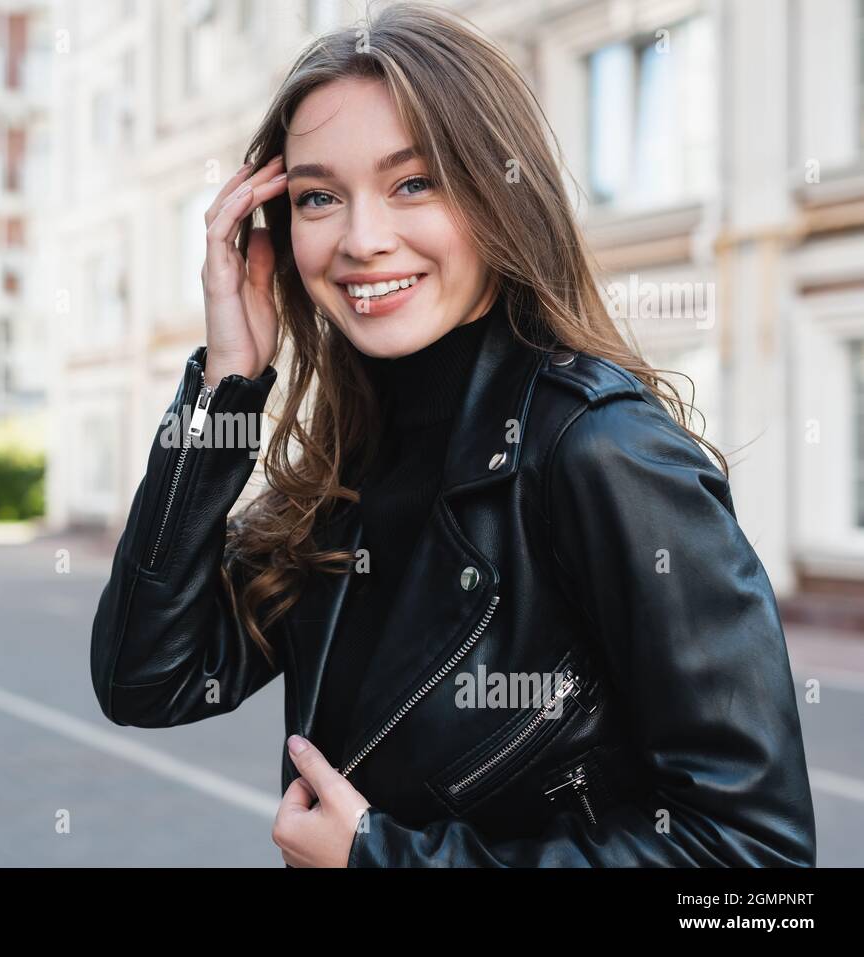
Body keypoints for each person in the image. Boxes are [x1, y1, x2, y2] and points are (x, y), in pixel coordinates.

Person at [89, 1, 815, 868]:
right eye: (320, 196)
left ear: (499, 195)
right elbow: (149, 677)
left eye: (414, 183)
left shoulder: (602, 451)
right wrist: (228, 383)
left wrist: (385, 860)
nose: (362, 239)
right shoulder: (346, 466)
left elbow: (754, 865)